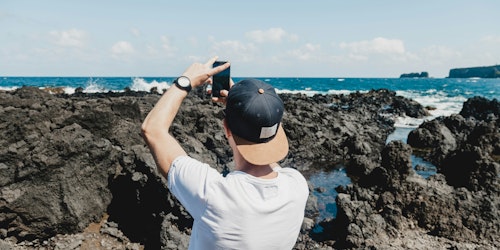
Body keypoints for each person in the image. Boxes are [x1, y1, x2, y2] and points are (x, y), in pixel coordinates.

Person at [141, 56, 309, 250]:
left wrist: (185, 81)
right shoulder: (297, 185)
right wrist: (243, 106)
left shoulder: (214, 195)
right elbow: (268, 159)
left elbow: (152, 129)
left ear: (226, 128)